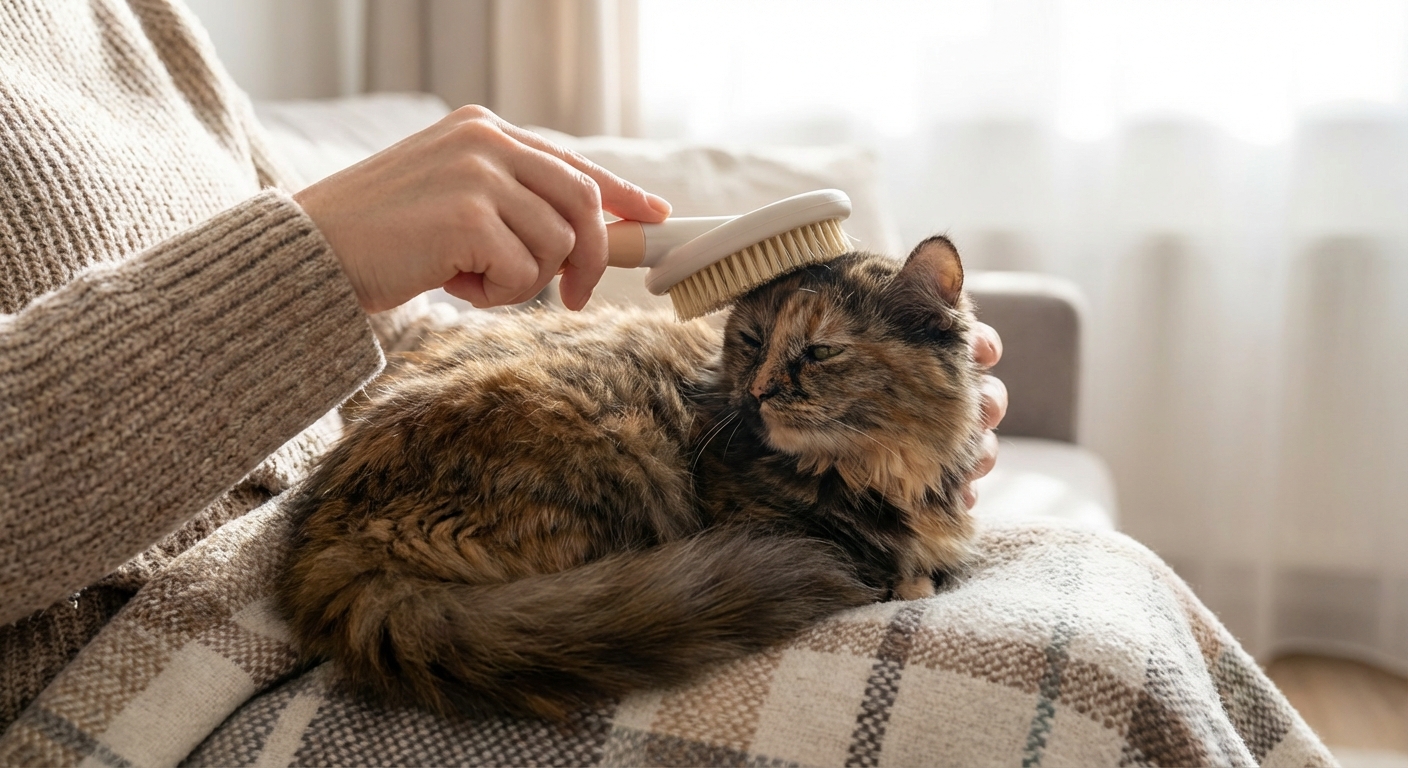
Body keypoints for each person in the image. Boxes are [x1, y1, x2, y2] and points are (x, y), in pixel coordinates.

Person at [0, 0, 1006, 736]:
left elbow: (360, 348)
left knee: (1114, 602)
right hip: (149, 673)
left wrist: (425, 312)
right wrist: (321, 253)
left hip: (305, 547)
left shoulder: (144, 18)